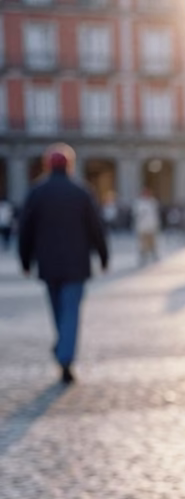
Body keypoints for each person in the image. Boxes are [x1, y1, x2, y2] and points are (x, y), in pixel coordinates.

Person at [18, 144, 108, 384]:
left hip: (48, 264)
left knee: (58, 310)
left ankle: (63, 350)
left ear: (48, 165)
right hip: (76, 263)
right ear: (70, 165)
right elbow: (96, 228)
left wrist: (25, 260)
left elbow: (25, 230)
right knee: (70, 312)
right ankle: (65, 355)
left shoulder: (37, 192)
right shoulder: (81, 191)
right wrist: (103, 255)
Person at [133, 186, 160, 265]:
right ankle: (143, 257)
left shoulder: (152, 202)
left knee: (152, 243)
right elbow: (136, 215)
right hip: (142, 227)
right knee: (143, 244)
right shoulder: (139, 203)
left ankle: (154, 255)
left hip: (151, 226)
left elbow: (155, 215)